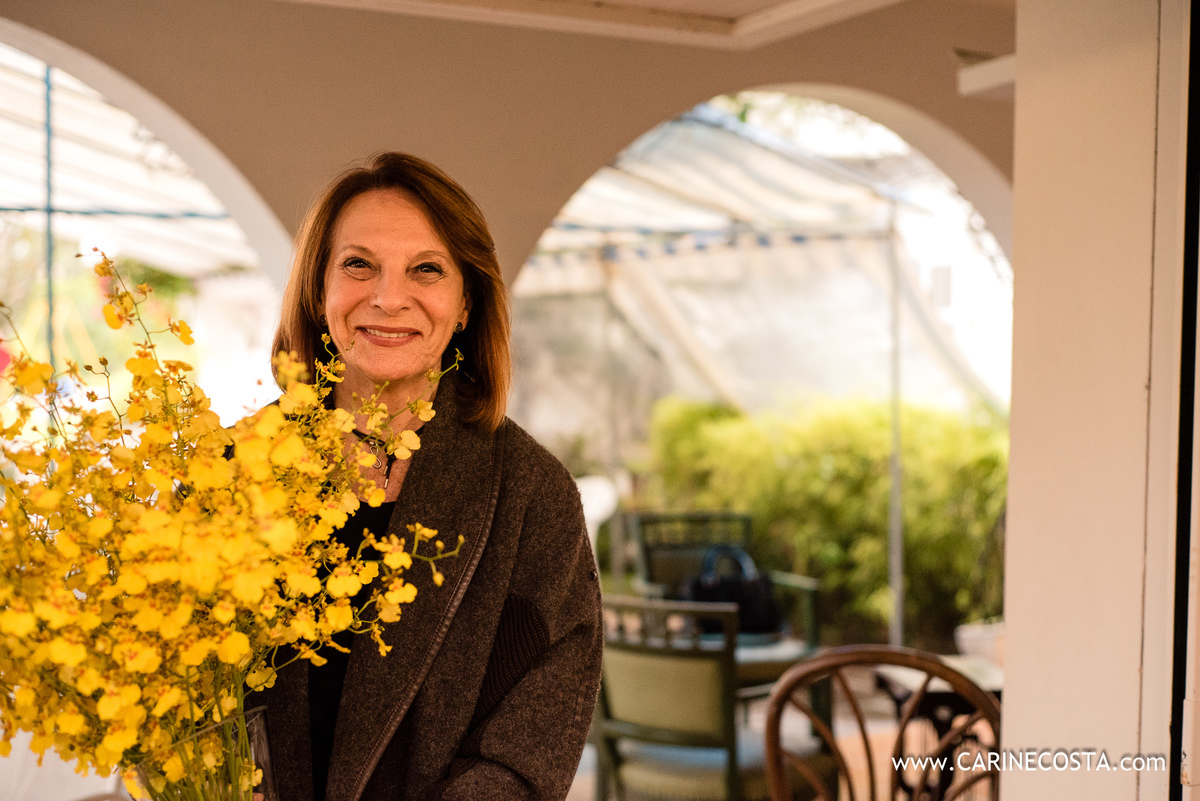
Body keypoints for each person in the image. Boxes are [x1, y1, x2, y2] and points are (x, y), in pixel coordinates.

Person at [257, 153, 603, 801]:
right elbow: (178, 697)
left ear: (466, 303)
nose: (389, 298)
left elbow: (533, 739)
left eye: (427, 269)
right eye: (358, 264)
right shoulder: (233, 468)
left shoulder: (533, 494)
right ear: (317, 290)